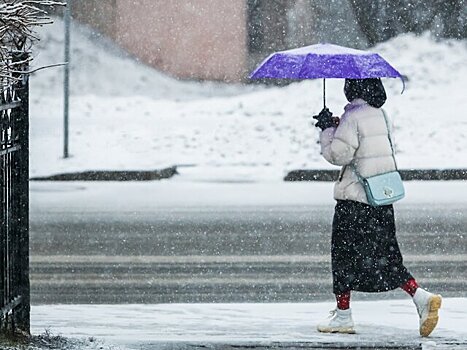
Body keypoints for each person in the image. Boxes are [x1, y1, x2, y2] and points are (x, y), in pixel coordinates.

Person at [313, 78, 442, 337]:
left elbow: (338, 155)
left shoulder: (353, 117)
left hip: (355, 203)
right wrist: (340, 127)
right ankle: (421, 297)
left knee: (343, 260)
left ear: (352, 89)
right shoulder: (380, 115)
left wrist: (327, 129)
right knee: (388, 258)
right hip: (380, 200)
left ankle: (343, 316)